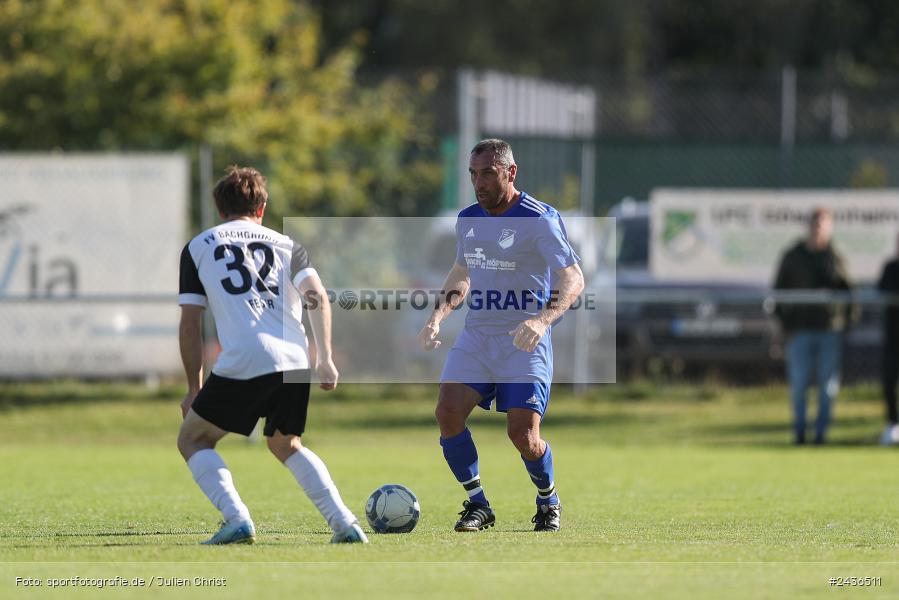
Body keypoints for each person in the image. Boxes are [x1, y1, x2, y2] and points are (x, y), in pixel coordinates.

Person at [176, 165, 367, 544]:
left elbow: (189, 326)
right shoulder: (288, 245)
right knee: (286, 443)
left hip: (246, 357)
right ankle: (345, 524)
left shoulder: (199, 246)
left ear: (220, 209)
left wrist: (194, 388)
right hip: (294, 358)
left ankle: (236, 519)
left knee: (193, 439)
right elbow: (317, 296)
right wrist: (324, 357)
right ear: (262, 207)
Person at [418, 139, 585, 532]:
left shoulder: (539, 219)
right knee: (447, 412)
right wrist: (437, 316)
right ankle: (478, 504)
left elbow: (573, 279)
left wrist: (541, 322)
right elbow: (462, 273)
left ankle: (548, 499)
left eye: (489, 173)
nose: (480, 183)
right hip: (477, 338)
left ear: (511, 172)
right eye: (474, 174)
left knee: (523, 435)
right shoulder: (468, 219)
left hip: (523, 342)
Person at [773, 207, 854, 445]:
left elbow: (850, 292)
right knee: (799, 384)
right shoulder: (793, 256)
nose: (817, 229)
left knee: (827, 387)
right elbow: (778, 292)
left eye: (822, 224)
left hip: (829, 330)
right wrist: (785, 324)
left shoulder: (835, 257)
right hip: (800, 330)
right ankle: (799, 432)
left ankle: (821, 434)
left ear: (829, 228)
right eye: (814, 224)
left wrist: (847, 322)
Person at [878, 233, 899, 444]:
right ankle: (893, 423)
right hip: (893, 336)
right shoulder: (891, 268)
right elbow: (882, 289)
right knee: (890, 380)